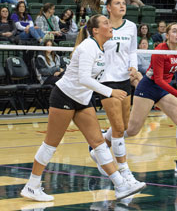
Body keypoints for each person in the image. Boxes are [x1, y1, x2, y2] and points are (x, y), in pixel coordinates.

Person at [20, 14, 146, 202]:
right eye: (106, 23)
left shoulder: (101, 48)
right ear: (95, 30)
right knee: (50, 144)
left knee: (98, 143)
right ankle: (32, 185)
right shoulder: (88, 47)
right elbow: (83, 79)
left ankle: (120, 186)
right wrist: (110, 92)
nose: (110, 25)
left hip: (82, 100)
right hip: (64, 96)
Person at [103, 22, 177, 173]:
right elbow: (158, 80)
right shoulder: (159, 51)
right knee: (132, 130)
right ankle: (104, 141)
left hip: (162, 90)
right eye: (174, 31)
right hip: (148, 88)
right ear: (167, 36)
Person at [73, 0, 145, 185]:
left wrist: (133, 68)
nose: (123, 6)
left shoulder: (131, 26)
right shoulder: (101, 28)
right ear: (109, 8)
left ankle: (98, 147)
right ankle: (124, 171)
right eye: (118, 3)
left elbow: (132, 51)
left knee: (124, 124)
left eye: (124, 3)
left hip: (124, 79)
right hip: (106, 80)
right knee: (119, 128)